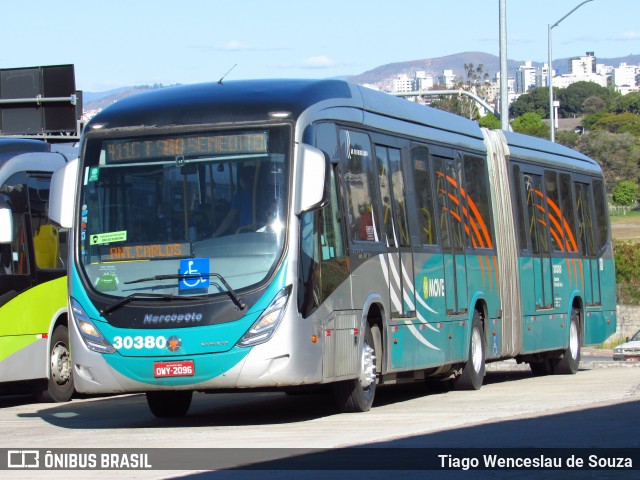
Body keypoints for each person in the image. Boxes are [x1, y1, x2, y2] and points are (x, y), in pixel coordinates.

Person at [211, 168, 254, 237]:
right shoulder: (263, 196)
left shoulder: (240, 197)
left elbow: (229, 219)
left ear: (242, 181)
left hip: (245, 234)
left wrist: (214, 235)